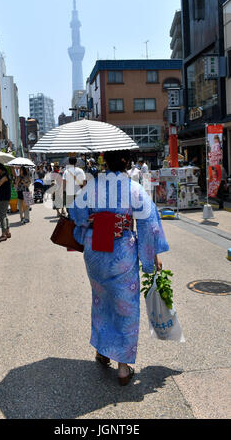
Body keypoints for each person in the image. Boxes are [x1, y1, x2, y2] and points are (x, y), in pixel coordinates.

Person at [69, 150, 169, 386]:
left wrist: (92, 220)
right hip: (120, 251)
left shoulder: (93, 187)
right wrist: (150, 257)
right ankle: (123, 367)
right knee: (125, 306)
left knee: (101, 301)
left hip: (96, 251)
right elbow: (148, 223)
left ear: (105, 161)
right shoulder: (133, 189)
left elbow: (76, 212)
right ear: (126, 163)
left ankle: (103, 352)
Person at [0, 163, 11, 242]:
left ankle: (3, 234)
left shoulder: (5, 176)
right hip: (3, 198)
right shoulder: (3, 176)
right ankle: (7, 232)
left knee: (2, 216)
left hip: (3, 198)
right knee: (4, 215)